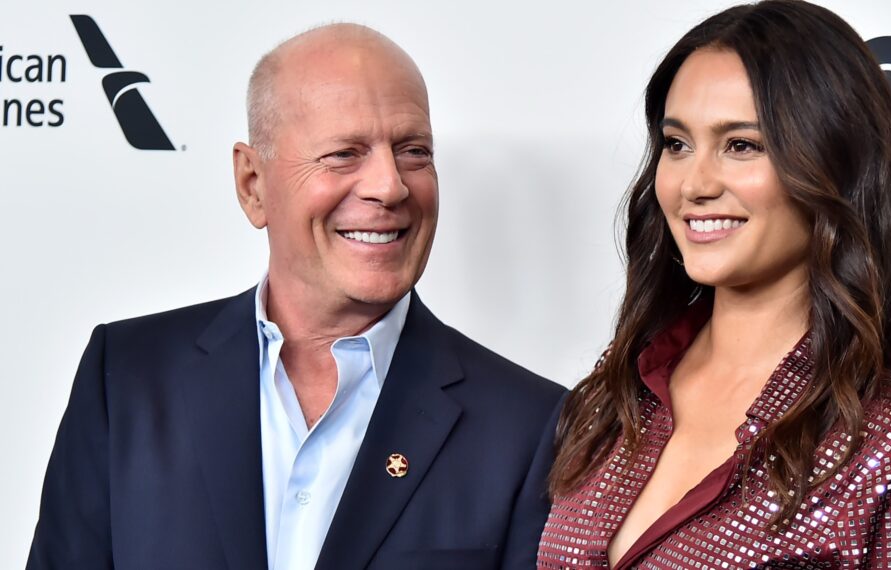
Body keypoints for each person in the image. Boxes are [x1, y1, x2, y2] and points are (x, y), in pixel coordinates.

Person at [28, 24, 565, 570]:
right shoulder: (127, 377)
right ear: (252, 184)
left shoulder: (530, 426)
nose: (391, 185)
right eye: (343, 154)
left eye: (413, 151)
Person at [537, 1, 891, 567]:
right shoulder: (619, 385)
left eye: (742, 145)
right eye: (677, 144)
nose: (695, 184)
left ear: (835, 164)